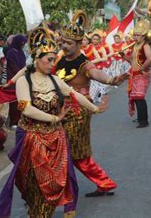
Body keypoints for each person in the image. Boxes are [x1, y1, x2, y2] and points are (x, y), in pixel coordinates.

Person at [0, 28, 104, 218]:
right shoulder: (24, 82)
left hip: (56, 138)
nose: (53, 64)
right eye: (49, 60)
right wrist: (55, 118)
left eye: (54, 59)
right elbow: (26, 109)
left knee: (59, 180)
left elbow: (75, 94)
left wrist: (95, 108)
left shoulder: (54, 80)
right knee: (34, 185)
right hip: (32, 139)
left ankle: (55, 210)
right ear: (36, 59)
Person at [54, 11, 127, 197]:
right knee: (59, 150)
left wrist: (111, 80)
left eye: (69, 43)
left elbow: (96, 73)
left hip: (78, 112)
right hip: (59, 109)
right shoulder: (60, 60)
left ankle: (62, 189)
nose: (65, 46)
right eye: (63, 42)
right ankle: (55, 188)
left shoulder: (84, 63)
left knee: (76, 153)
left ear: (79, 44)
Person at [120, 20, 151, 128]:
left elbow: (150, 58)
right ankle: (140, 118)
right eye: (134, 35)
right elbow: (131, 61)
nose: (135, 37)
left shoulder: (145, 45)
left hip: (142, 75)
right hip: (134, 74)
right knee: (135, 97)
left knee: (139, 96)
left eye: (138, 35)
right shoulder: (134, 46)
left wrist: (142, 68)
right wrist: (122, 55)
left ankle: (144, 121)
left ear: (144, 36)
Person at [5, 34, 27, 126]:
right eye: (22, 43)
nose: (23, 45)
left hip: (23, 79)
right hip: (13, 80)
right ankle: (14, 121)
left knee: (23, 100)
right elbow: (14, 68)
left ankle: (22, 118)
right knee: (14, 102)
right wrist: (21, 74)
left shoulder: (21, 52)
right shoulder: (11, 53)